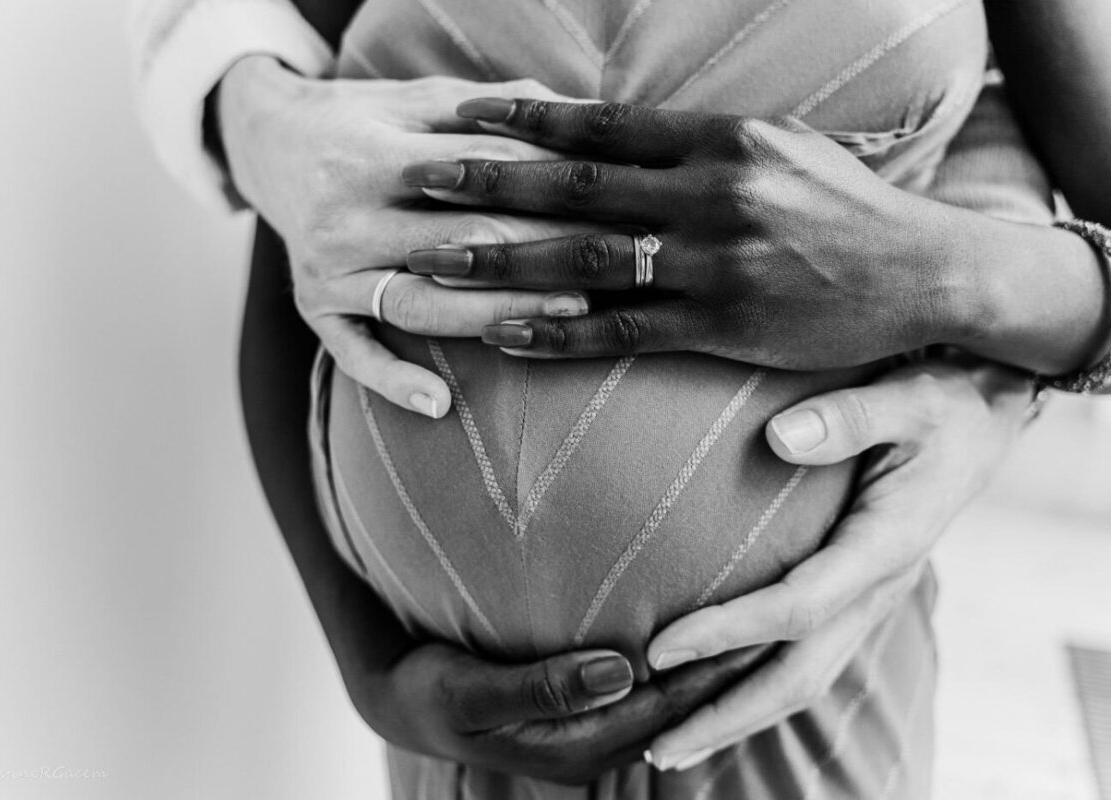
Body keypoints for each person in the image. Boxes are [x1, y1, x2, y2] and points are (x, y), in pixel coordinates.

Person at [128, 1, 1111, 797]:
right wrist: (370, 670)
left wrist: (952, 291)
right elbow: (308, 235)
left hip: (800, 704)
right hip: (466, 735)